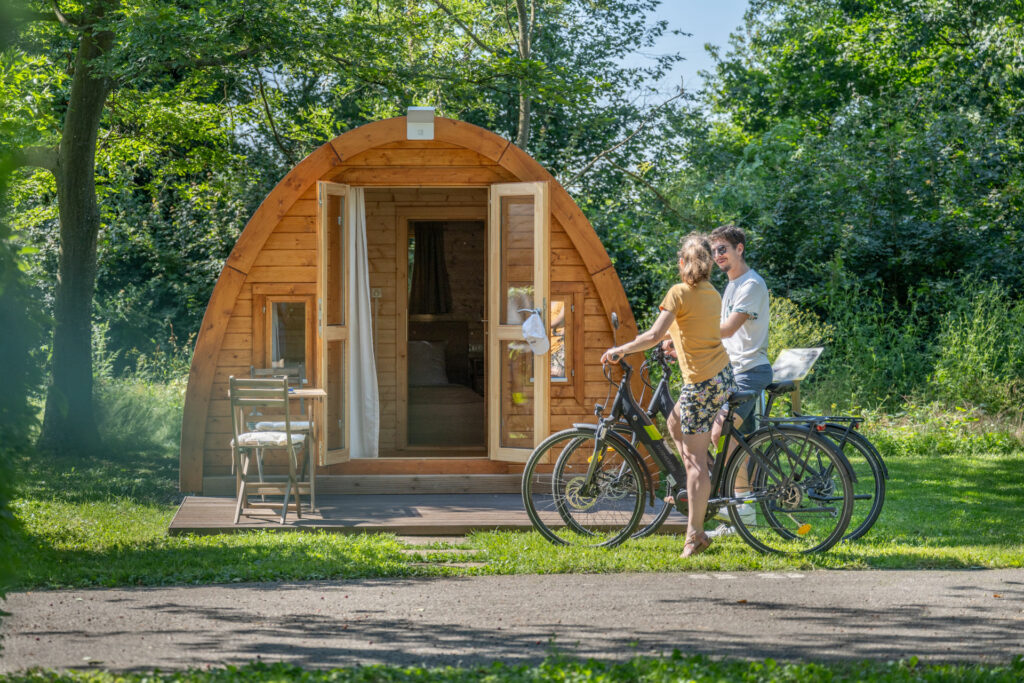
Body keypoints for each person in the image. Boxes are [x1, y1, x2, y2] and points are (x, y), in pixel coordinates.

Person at [601, 232, 736, 558]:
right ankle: (702, 476)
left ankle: (696, 533)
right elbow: (697, 329)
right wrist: (674, 342)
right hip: (721, 375)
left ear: (683, 263)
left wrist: (621, 350)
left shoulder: (678, 293)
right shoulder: (712, 293)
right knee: (674, 422)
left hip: (702, 384)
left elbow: (653, 333)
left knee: (693, 466)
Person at [705, 223, 772, 538]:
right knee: (738, 443)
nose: (717, 255)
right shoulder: (731, 286)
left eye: (723, 249)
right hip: (732, 372)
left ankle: (736, 506)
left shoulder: (751, 285)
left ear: (739, 249)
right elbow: (723, 337)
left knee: (721, 434)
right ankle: (744, 511)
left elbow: (728, 329)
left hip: (749, 371)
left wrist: (688, 334)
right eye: (714, 250)